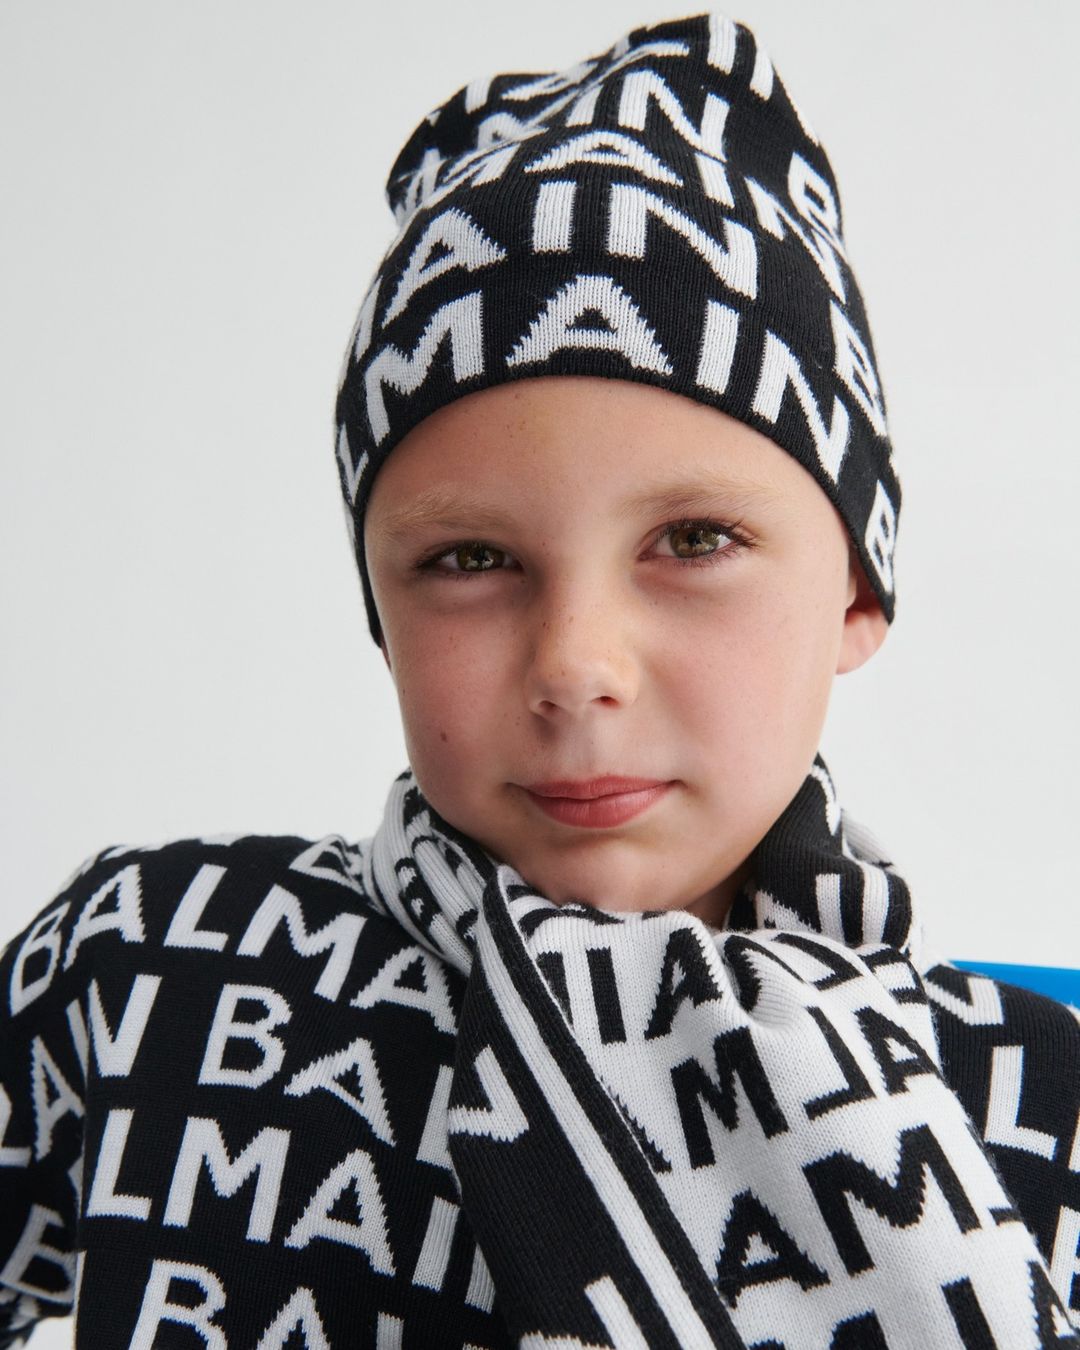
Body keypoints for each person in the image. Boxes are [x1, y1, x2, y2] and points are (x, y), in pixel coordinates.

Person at [2, 13, 1078, 1348]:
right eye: (469, 558)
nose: (575, 664)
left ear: (858, 589)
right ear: (383, 613)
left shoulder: (1030, 1102)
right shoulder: (150, 975)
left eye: (695, 540)